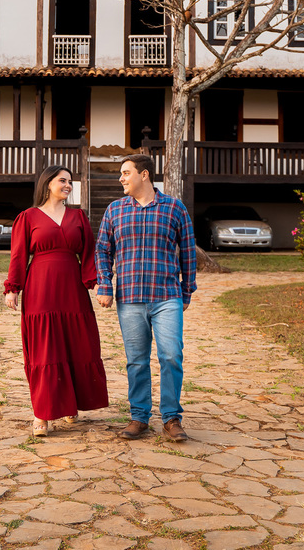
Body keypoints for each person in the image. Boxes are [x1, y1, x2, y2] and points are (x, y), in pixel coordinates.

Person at [95, 153, 197, 442]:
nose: (121, 178)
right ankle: (139, 417)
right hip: (129, 298)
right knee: (136, 361)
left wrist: (187, 289)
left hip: (166, 296)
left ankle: (171, 418)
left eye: (126, 173)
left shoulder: (175, 208)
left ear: (145, 175)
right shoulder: (115, 210)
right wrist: (105, 284)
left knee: (171, 356)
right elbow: (102, 250)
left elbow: (188, 252)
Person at [4, 165, 109, 437]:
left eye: (70, 182)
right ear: (47, 183)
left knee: (76, 345)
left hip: (72, 288)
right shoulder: (27, 217)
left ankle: (70, 404)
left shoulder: (78, 216)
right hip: (40, 286)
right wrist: (12, 288)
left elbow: (88, 253)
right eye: (62, 180)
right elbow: (18, 256)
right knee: (44, 349)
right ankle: (42, 412)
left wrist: (93, 283)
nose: (68, 185)